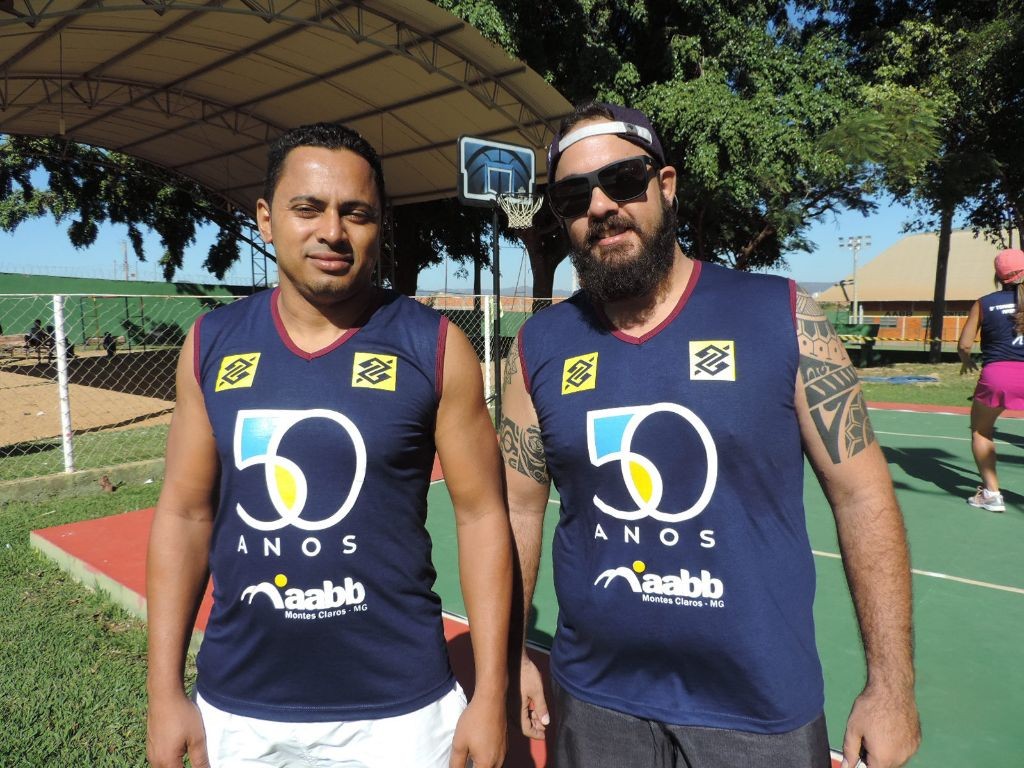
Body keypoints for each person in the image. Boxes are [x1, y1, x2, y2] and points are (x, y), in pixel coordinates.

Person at [501, 102, 920, 768]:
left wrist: (891, 686)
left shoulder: (782, 315)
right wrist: (511, 653)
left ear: (665, 184)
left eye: (623, 181)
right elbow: (519, 514)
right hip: (597, 702)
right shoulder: (538, 347)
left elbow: (862, 497)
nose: (601, 206)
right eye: (574, 196)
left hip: (758, 711)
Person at [146, 122, 512, 768]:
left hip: (401, 714)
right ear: (266, 219)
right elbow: (184, 514)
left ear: (379, 226)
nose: (333, 232)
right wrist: (163, 693)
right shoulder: (211, 344)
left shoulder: (435, 347)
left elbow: (482, 516)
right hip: (241, 709)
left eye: (356, 213)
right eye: (308, 208)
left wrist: (490, 693)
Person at [956, 247, 1024, 513]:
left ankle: (992, 495)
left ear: (998, 276)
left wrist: (966, 360)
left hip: (999, 375)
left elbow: (964, 345)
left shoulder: (984, 303)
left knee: (981, 431)